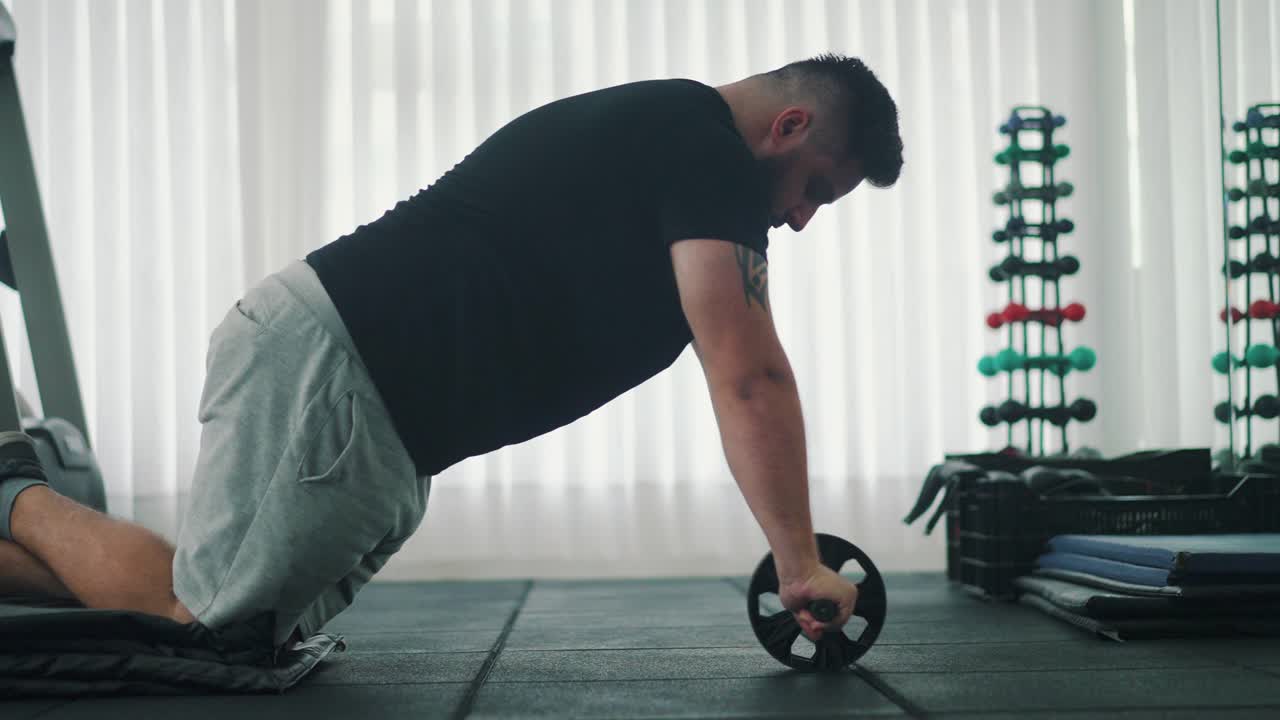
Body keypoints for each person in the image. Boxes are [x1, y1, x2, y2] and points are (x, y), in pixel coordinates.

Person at [0, 52, 902, 653]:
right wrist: (796, 561)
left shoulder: (672, 137)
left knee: (228, 621)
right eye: (816, 188)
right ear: (788, 128)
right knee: (203, 631)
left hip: (376, 416)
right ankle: (13, 487)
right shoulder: (702, 152)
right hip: (341, 380)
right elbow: (747, 374)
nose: (800, 216)